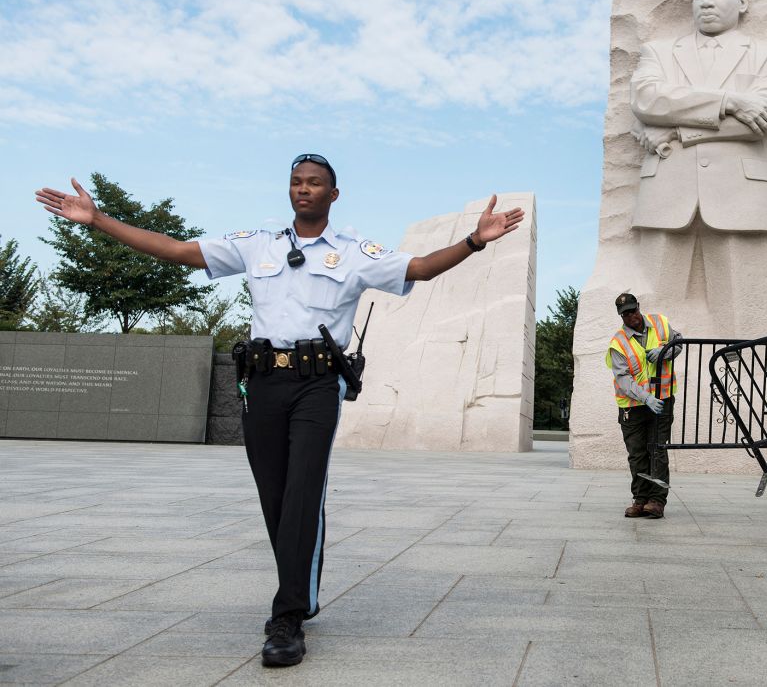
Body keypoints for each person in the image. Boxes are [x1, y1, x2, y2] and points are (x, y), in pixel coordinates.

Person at [35, 154, 523, 668]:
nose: (303, 189)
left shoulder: (356, 252)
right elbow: (179, 251)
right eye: (296, 182)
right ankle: (301, 588)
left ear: (334, 195)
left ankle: (286, 616)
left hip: (317, 383)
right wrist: (98, 220)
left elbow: (419, 268)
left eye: (315, 183)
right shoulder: (256, 244)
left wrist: (474, 241)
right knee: (274, 496)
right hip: (262, 381)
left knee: (303, 491)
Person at [627, 0, 767, 333]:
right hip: (666, 193)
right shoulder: (658, 51)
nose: (706, 2)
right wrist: (729, 100)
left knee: (745, 318)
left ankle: (744, 385)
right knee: (648, 311)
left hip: (742, 195)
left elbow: (762, 121)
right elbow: (645, 100)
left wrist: (673, 127)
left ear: (743, 2)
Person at [605, 293, 682, 519]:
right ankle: (640, 499)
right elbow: (623, 379)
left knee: (658, 449)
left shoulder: (659, 322)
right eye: (626, 314)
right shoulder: (617, 343)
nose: (631, 317)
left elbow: (679, 342)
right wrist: (645, 397)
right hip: (633, 406)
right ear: (621, 316)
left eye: (633, 311)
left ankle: (656, 502)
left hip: (663, 400)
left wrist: (665, 351)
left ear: (639, 307)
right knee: (637, 454)